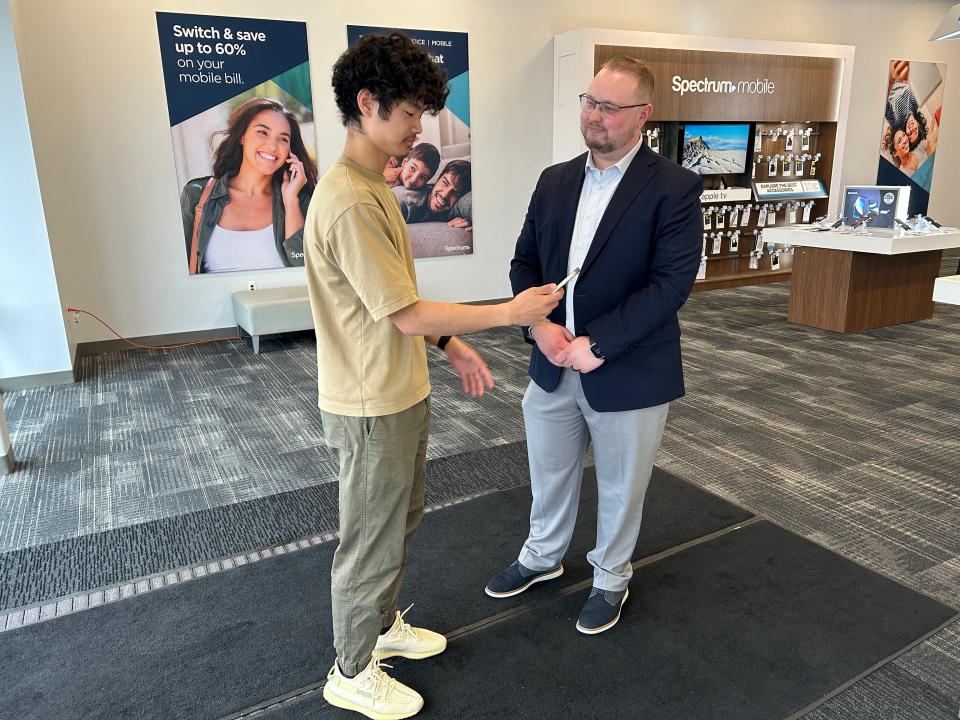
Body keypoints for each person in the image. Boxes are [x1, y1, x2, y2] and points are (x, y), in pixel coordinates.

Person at [305, 32, 561, 720]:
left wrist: (451, 342)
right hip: (369, 401)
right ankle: (351, 669)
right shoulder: (351, 200)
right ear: (367, 103)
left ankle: (381, 626)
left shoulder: (374, 185)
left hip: (397, 388)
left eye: (423, 112)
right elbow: (407, 314)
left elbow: (397, 301)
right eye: (411, 112)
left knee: (400, 518)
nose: (420, 128)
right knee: (370, 536)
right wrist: (508, 312)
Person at [485, 56, 703, 635]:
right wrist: (539, 327)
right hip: (551, 362)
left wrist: (598, 344)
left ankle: (611, 576)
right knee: (549, 470)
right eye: (589, 101)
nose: (594, 115)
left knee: (620, 482)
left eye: (610, 106)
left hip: (627, 366)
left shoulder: (675, 188)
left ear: (644, 115)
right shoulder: (555, 179)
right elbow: (524, 261)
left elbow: (671, 283)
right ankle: (542, 555)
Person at [180, 97, 317, 274]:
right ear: (242, 136)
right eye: (262, 132)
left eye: (283, 139)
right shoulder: (196, 195)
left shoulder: (301, 200)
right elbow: (179, 274)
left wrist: (291, 201)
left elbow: (305, 272)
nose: (272, 146)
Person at [393, 159, 473, 229]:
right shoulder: (404, 202)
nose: (445, 195)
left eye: (455, 193)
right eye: (445, 183)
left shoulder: (455, 207)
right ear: (437, 179)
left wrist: (476, 224)